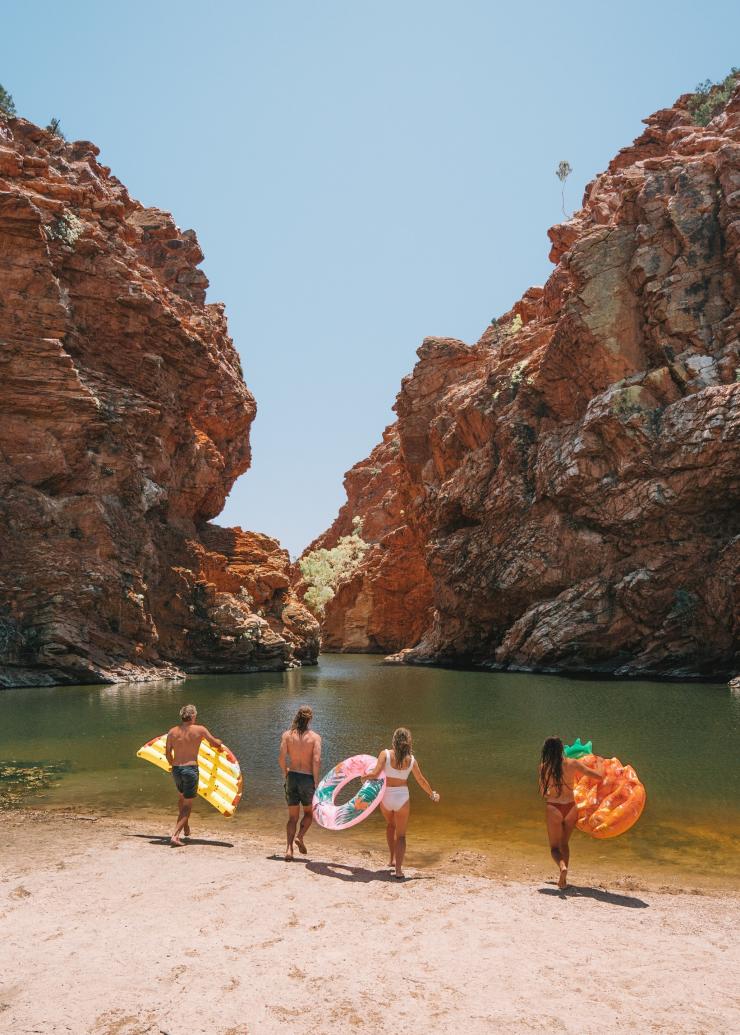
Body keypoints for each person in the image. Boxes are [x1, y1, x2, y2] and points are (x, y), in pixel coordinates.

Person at [365, 727, 439, 880]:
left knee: (390, 825)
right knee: (401, 836)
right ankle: (398, 870)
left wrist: (364, 776)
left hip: (386, 797)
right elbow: (421, 780)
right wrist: (432, 795)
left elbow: (376, 773)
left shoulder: (384, 754)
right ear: (408, 742)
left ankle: (391, 859)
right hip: (402, 798)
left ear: (394, 740)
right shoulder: (411, 760)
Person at [539, 735, 603, 889]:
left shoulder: (543, 767)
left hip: (554, 807)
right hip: (570, 807)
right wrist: (600, 762)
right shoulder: (572, 764)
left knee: (554, 848)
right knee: (564, 844)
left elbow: (543, 793)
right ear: (562, 749)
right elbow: (598, 776)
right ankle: (564, 881)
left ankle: (562, 868)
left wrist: (553, 791)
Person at [165, 704, 225, 847]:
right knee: (187, 805)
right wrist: (220, 742)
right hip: (190, 769)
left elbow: (167, 753)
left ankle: (185, 825)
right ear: (192, 716)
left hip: (176, 769)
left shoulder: (172, 731)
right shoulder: (200, 730)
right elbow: (215, 744)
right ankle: (175, 835)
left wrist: (172, 764)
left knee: (181, 797)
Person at [279, 705, 322, 861]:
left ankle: (289, 849)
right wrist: (316, 782)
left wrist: (286, 773)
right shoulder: (315, 738)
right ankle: (300, 836)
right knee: (309, 813)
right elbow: (316, 760)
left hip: (292, 777)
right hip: (306, 778)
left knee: (292, 818)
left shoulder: (287, 736)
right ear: (310, 719)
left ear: (297, 717)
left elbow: (281, 758)